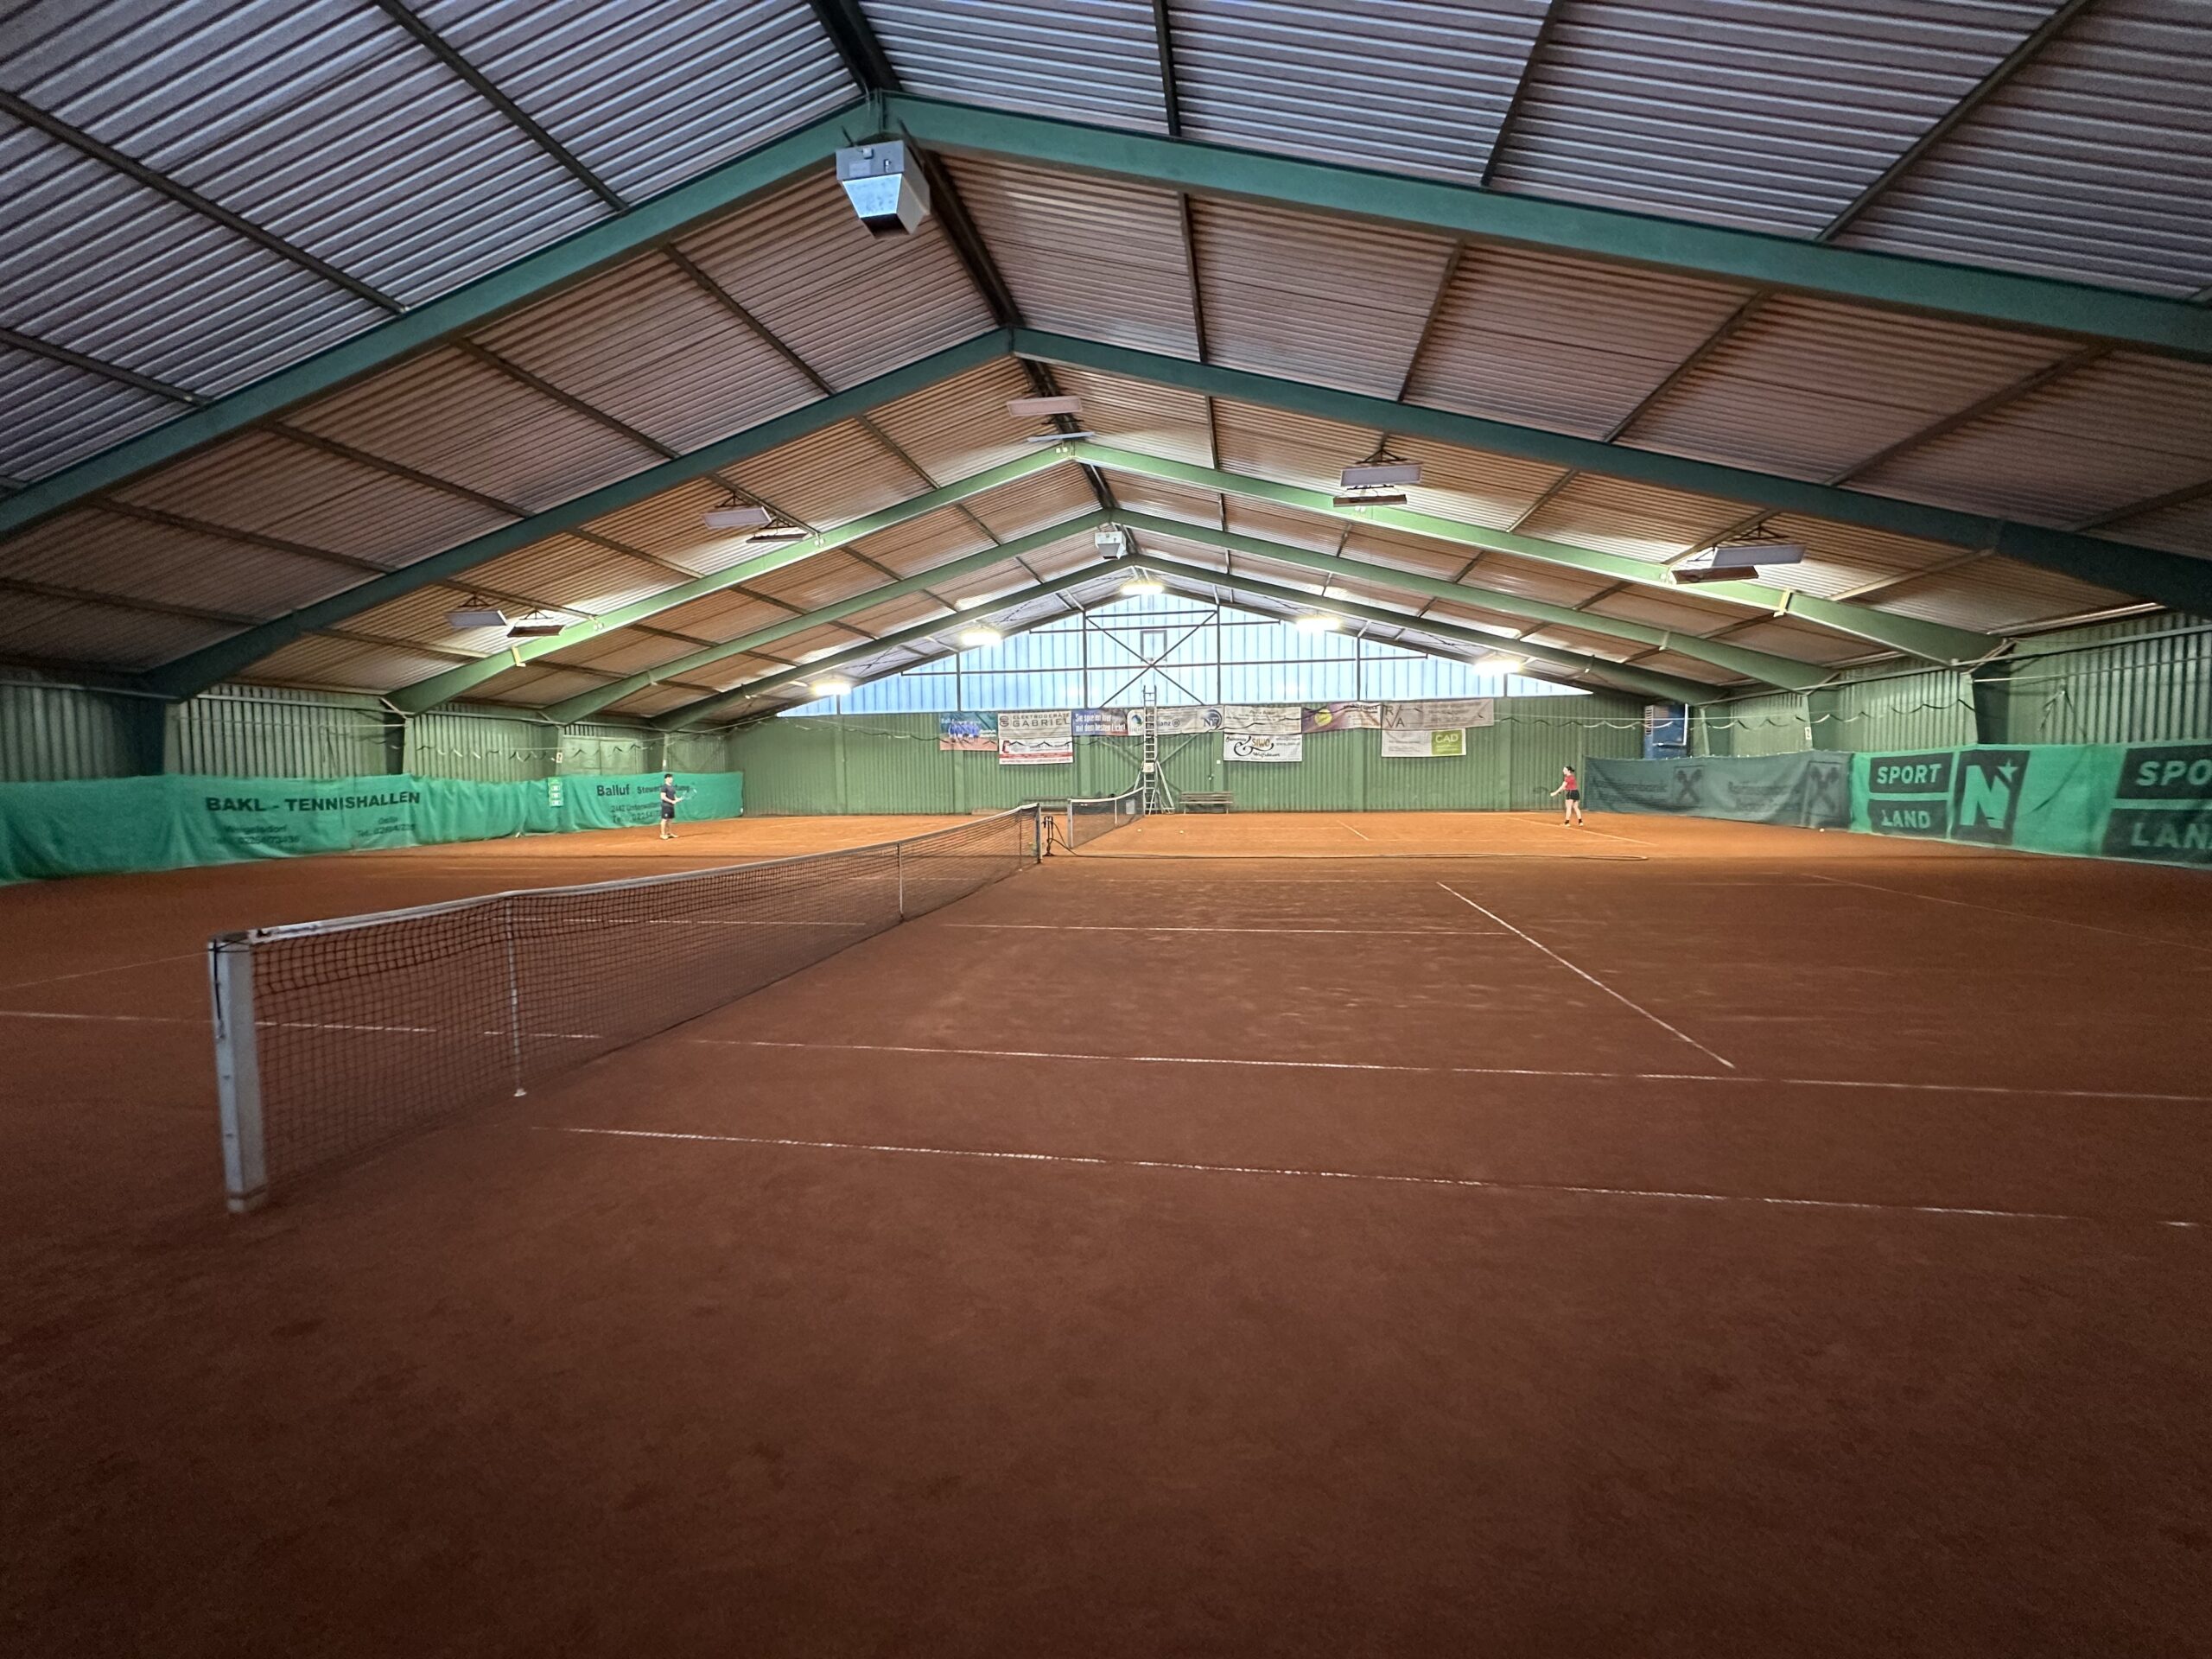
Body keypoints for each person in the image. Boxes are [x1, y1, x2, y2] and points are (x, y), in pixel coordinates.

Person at [1551, 763, 1584, 827]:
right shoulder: (1572, 777)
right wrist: (1561, 790)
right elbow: (1566, 787)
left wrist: (1555, 793)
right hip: (1576, 793)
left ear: (1569, 771)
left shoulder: (1567, 778)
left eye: (1565, 770)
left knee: (1569, 808)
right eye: (1563, 770)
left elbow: (1562, 786)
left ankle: (1567, 823)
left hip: (1571, 793)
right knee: (1576, 808)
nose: (1563, 771)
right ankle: (1580, 822)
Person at [658, 772, 679, 841]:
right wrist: (671, 801)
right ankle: (662, 834)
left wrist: (677, 799)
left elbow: (674, 797)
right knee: (664, 820)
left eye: (671, 778)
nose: (671, 779)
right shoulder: (664, 787)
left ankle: (669, 833)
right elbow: (663, 797)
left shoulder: (672, 787)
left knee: (670, 820)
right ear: (666, 779)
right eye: (669, 778)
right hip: (666, 806)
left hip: (671, 806)